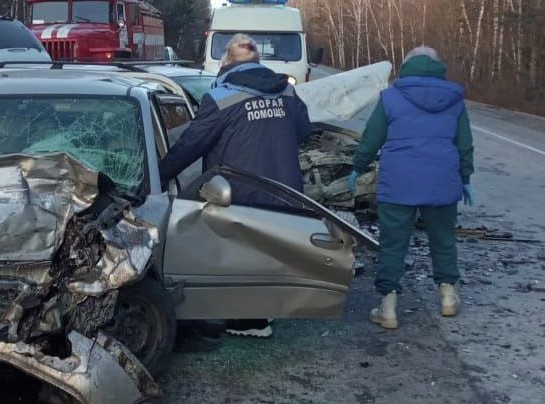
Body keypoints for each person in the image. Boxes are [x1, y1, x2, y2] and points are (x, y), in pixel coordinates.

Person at [159, 33, 313, 338]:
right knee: (269, 251)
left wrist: (158, 174)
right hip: (285, 189)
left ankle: (250, 321)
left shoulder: (221, 98)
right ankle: (264, 313)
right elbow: (305, 131)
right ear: (257, 62)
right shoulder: (287, 93)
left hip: (240, 193)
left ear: (226, 63)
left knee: (241, 255)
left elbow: (191, 145)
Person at [348, 46, 475, 329]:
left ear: (406, 66)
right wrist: (465, 178)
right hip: (443, 179)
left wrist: (358, 167)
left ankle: (388, 307)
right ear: (437, 66)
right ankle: (448, 297)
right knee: (443, 239)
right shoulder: (454, 99)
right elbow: (464, 143)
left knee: (393, 243)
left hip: (399, 181)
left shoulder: (391, 97)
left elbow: (372, 136)